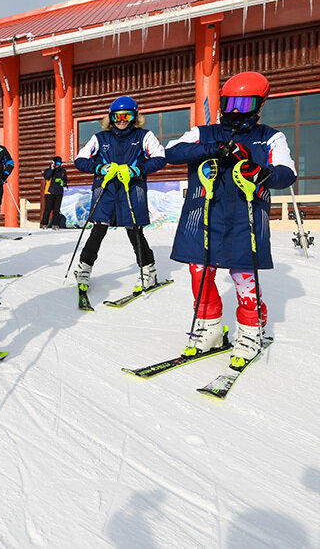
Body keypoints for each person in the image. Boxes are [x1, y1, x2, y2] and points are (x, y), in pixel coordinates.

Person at [165, 71, 297, 367]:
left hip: (245, 217)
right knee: (200, 272)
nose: (236, 110)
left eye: (244, 103)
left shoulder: (270, 137)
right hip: (202, 215)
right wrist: (212, 149)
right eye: (231, 102)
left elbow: (287, 172)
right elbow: (171, 153)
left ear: (259, 105)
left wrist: (263, 173)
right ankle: (210, 328)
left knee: (243, 276)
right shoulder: (204, 132)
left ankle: (252, 331)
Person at [73, 96, 166, 298]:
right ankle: (84, 269)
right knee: (98, 230)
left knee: (134, 230)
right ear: (110, 117)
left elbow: (160, 158)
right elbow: (80, 159)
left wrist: (137, 170)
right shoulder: (100, 138)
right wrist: (100, 167)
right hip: (105, 190)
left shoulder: (144, 135)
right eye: (117, 116)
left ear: (135, 116)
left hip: (131, 189)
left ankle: (148, 270)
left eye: (127, 115)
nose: (122, 120)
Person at [41, 156, 68, 229]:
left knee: (57, 209)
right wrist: (52, 169)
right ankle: (44, 224)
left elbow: (65, 180)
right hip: (49, 192)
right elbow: (46, 177)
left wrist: (63, 183)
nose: (59, 164)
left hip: (59, 192)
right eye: (57, 163)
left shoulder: (63, 171)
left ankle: (55, 224)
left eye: (60, 163)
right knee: (48, 209)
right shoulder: (48, 170)